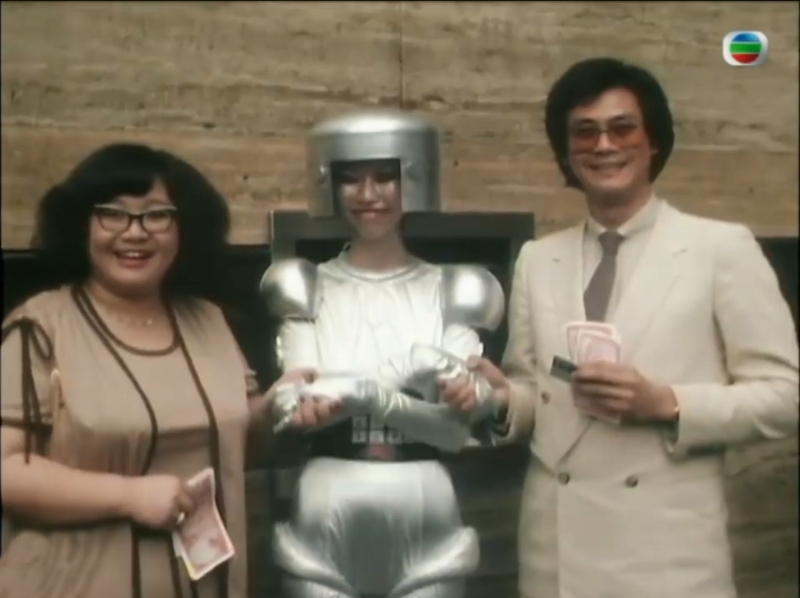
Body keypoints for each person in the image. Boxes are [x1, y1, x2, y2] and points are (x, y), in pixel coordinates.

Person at [440, 57, 800, 598]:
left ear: (653, 140)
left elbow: (785, 396)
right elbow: (538, 392)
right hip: (555, 554)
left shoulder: (720, 248)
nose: (603, 145)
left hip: (666, 556)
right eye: (584, 132)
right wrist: (500, 399)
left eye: (622, 127)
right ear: (566, 151)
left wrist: (667, 403)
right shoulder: (539, 259)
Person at [0, 143, 312, 598]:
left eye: (156, 215)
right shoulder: (40, 328)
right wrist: (128, 496)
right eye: (112, 214)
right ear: (82, 224)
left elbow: (236, 436)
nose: (135, 232)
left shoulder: (209, 321)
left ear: (184, 228)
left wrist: (281, 403)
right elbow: (7, 470)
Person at [259, 109, 506, 598]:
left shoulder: (454, 289)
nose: (368, 194)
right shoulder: (304, 287)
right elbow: (294, 406)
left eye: (385, 176)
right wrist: (406, 378)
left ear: (411, 179)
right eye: (351, 178)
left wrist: (363, 395)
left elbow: (451, 429)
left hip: (426, 504)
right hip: (325, 503)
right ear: (331, 183)